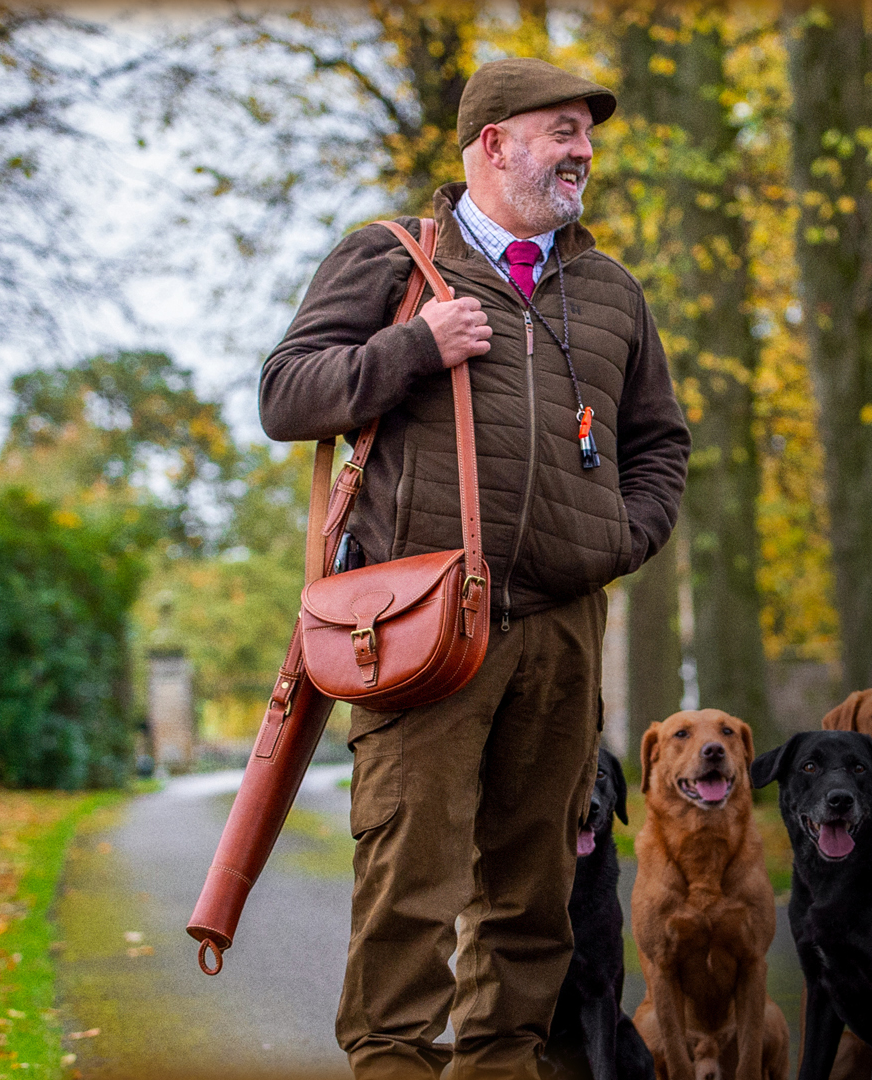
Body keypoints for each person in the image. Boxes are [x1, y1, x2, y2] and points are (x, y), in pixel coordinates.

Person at [259, 58, 690, 1080]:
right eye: (561, 131)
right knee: (411, 873)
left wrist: (623, 537)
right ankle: (394, 1064)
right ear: (492, 143)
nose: (582, 150)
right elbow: (286, 395)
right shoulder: (397, 258)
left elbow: (659, 439)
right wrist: (413, 345)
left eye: (587, 133)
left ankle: (501, 1067)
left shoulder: (611, 290)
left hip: (564, 625)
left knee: (537, 891)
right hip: (427, 623)